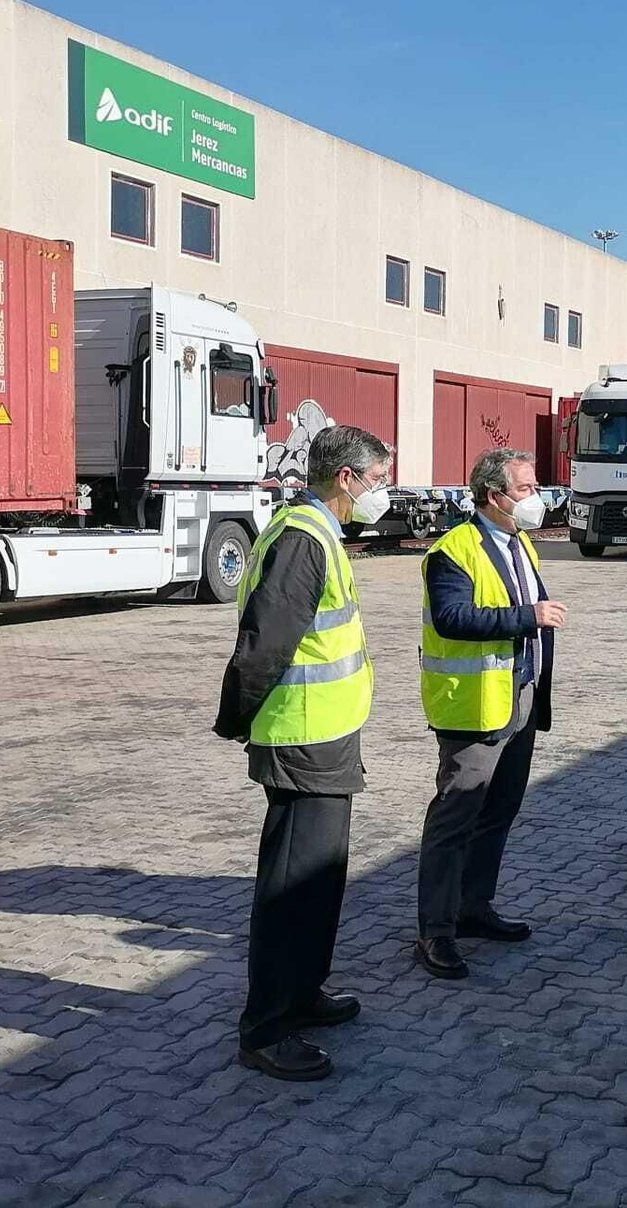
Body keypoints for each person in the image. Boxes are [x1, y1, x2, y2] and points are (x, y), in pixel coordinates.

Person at [214, 425, 389, 1081]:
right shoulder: (301, 540)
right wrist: (237, 718)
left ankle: (304, 991)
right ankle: (266, 1026)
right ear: (344, 477)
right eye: (375, 478)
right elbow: (264, 644)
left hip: (327, 734)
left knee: (321, 877)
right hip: (299, 737)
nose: (380, 491)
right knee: (291, 886)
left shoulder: (314, 532)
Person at [415, 448, 563, 981]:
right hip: (473, 707)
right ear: (492, 496)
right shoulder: (453, 550)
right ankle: (436, 929)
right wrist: (529, 617)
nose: (535, 498)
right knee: (456, 817)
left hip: (519, 697)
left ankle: (474, 909)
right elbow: (454, 617)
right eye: (524, 490)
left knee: (498, 811)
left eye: (534, 485)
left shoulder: (521, 543)